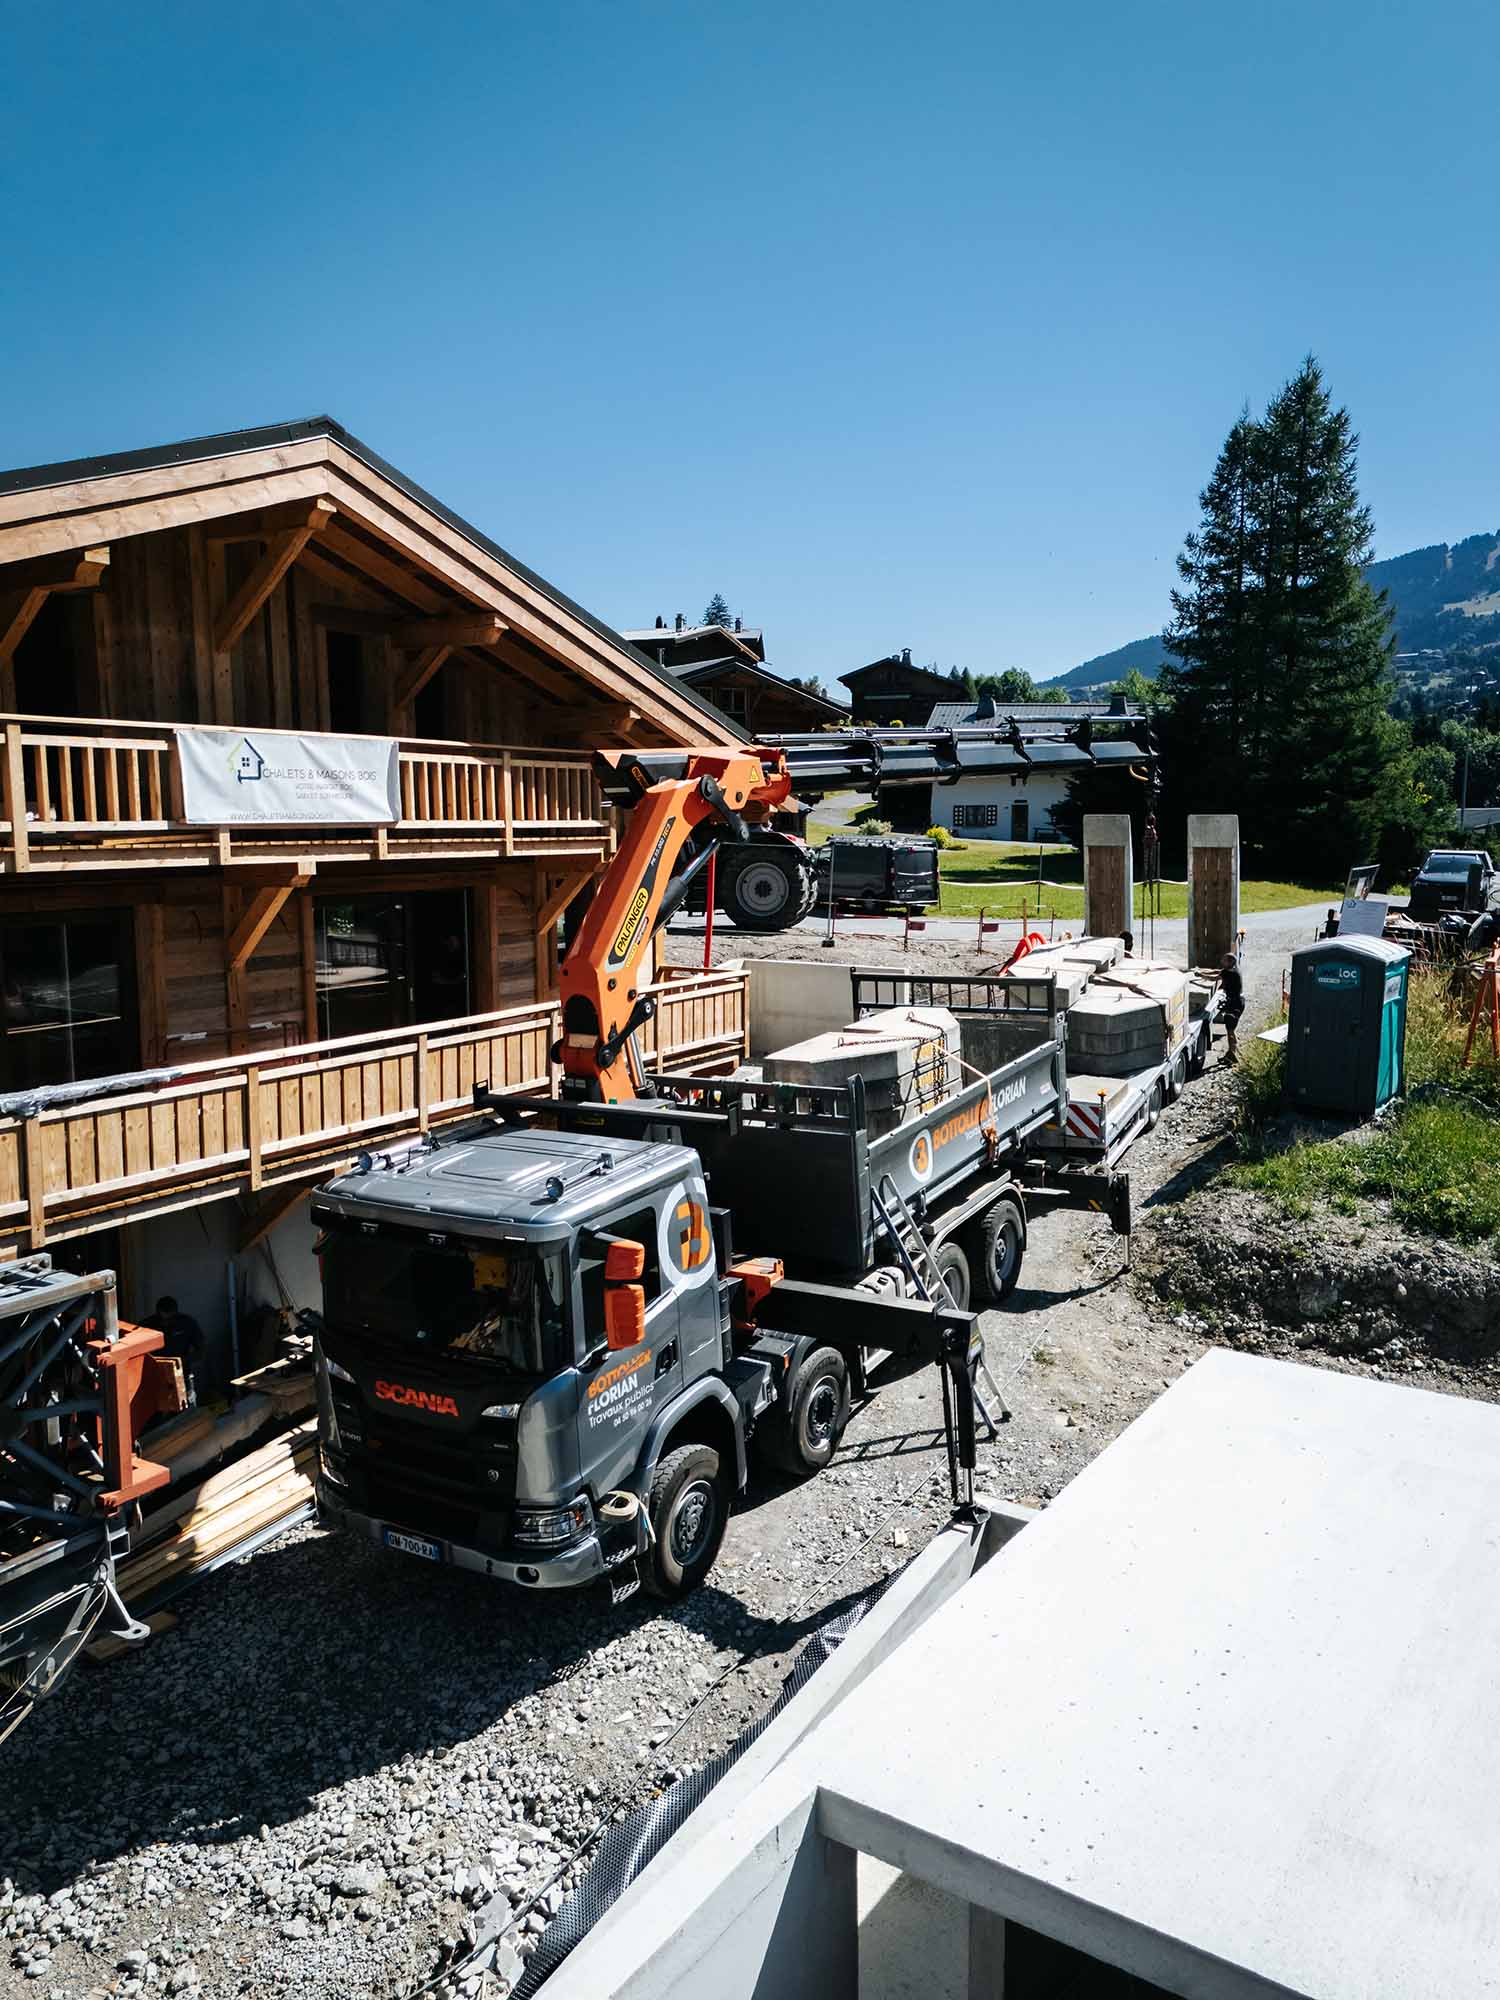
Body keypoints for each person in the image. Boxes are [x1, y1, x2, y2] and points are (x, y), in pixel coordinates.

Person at [145, 1294, 205, 1404]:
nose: (166, 1323)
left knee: (187, 1405)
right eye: (163, 1319)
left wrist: (182, 1361)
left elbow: (201, 1349)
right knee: (158, 1407)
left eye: (170, 1319)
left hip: (182, 1374)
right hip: (157, 1376)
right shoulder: (148, 1325)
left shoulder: (187, 1323)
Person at [1216, 951, 1245, 1066]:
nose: (1221, 961)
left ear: (1230, 962)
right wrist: (1199, 971)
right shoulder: (1233, 970)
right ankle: (1232, 1052)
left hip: (1234, 1004)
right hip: (1238, 1003)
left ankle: (1232, 1055)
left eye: (1224, 960)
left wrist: (1199, 975)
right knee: (1231, 1029)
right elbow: (1216, 972)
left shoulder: (1230, 973)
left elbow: (1214, 977)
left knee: (1230, 1030)